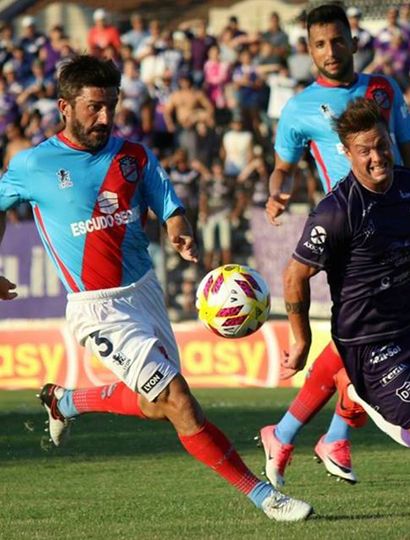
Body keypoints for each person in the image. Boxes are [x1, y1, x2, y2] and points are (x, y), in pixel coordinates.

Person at [0, 54, 312, 522]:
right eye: (93, 108)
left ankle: (65, 400)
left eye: (111, 105)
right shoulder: (33, 164)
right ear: (64, 107)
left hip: (145, 292)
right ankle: (265, 496)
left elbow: (170, 205)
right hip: (96, 307)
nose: (105, 118)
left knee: (153, 404)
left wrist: (178, 226)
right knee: (178, 401)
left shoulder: (135, 156)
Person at [262, 3, 410, 488]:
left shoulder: (382, 90)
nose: (330, 51)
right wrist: (277, 188)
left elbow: (403, 147)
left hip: (393, 215)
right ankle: (324, 435)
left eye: (337, 40)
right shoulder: (298, 109)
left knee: (368, 335)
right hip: (345, 234)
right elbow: (283, 164)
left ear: (351, 39)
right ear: (308, 50)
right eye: (319, 44)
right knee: (363, 332)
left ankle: (293, 434)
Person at [283, 97, 410, 447]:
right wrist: (302, 340)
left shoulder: (405, 185)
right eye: (364, 151)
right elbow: (294, 275)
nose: (377, 157)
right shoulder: (336, 212)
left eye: (382, 146)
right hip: (370, 345)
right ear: (348, 154)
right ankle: (355, 393)